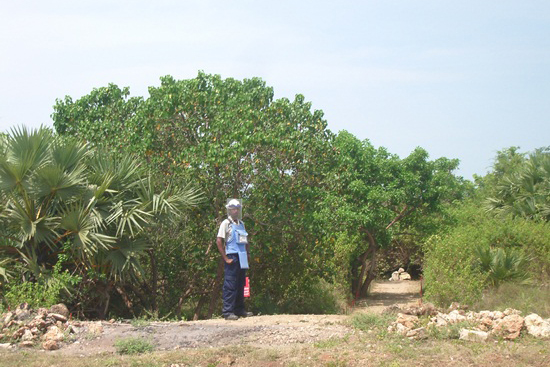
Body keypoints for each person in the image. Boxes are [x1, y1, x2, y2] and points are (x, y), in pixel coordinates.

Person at [216, 199, 253, 320]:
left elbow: (246, 241)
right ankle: (228, 312)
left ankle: (239, 309)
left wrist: (247, 253)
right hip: (232, 256)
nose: (235, 211)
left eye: (237, 208)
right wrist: (225, 258)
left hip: (242, 256)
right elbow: (219, 240)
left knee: (241, 283)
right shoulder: (226, 223)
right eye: (233, 209)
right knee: (230, 284)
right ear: (229, 210)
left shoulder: (242, 224)